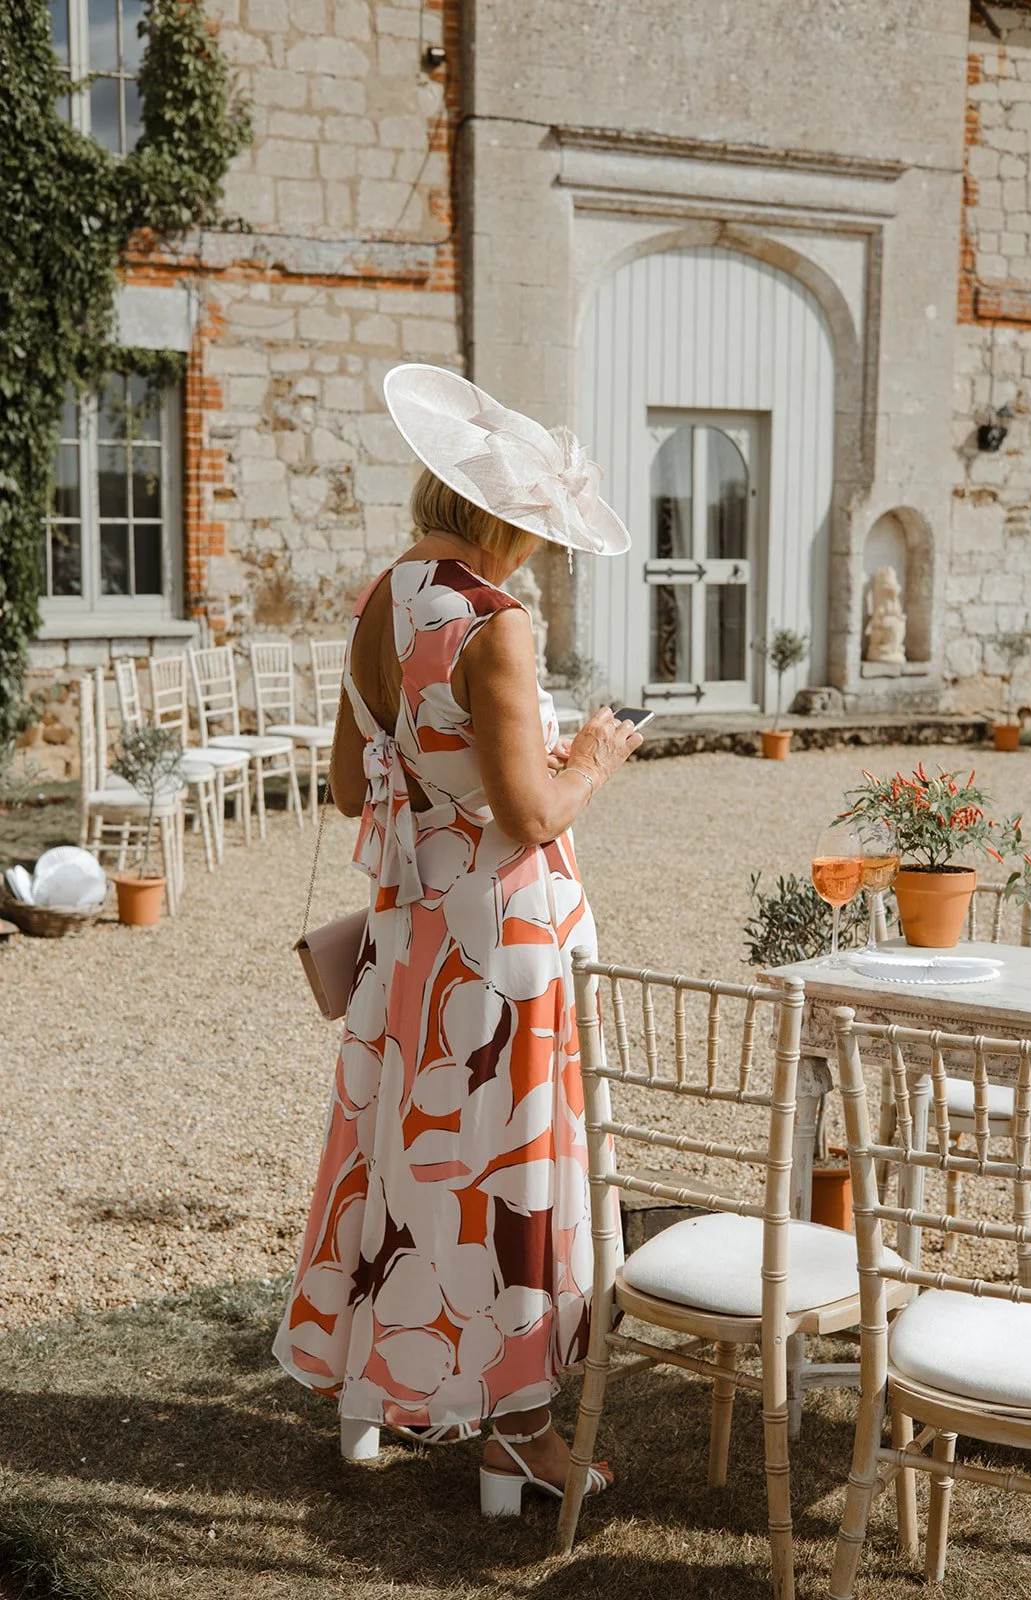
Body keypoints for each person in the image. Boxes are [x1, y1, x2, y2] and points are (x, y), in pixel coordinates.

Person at [273, 363, 642, 1517]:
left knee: (401, 1149)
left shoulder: (380, 598)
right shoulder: (494, 622)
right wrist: (594, 756)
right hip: (504, 939)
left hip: (413, 932)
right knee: (515, 1173)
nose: (537, 550)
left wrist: (424, 783)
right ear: (505, 522)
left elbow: (345, 785)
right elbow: (529, 814)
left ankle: (368, 1400)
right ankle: (519, 1437)